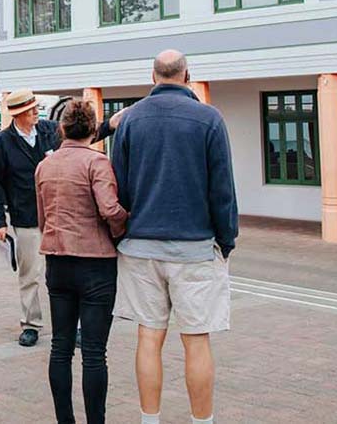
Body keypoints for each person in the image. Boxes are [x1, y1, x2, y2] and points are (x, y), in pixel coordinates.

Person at [110, 51, 238, 424]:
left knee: (149, 338)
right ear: (187, 76)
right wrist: (225, 240)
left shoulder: (131, 120)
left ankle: (150, 420)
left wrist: (122, 235)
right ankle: (203, 421)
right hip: (195, 248)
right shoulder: (209, 119)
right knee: (196, 340)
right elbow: (222, 189)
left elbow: (120, 186)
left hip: (141, 248)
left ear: (152, 75)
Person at [0, 88, 121, 347]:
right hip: (26, 217)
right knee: (29, 274)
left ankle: (80, 325)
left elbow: (81, 138)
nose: (37, 111)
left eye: (37, 107)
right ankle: (30, 324)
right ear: (19, 114)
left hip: (59, 215)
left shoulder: (50, 130)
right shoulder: (3, 142)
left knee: (72, 272)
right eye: (31, 109)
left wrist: (109, 127)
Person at [35, 99, 128, 424]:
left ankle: (65, 420)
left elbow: (43, 218)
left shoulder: (44, 166)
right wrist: (123, 225)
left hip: (57, 262)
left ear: (62, 128)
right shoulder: (97, 163)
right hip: (95, 264)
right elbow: (109, 209)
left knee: (60, 347)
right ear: (92, 128)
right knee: (93, 352)